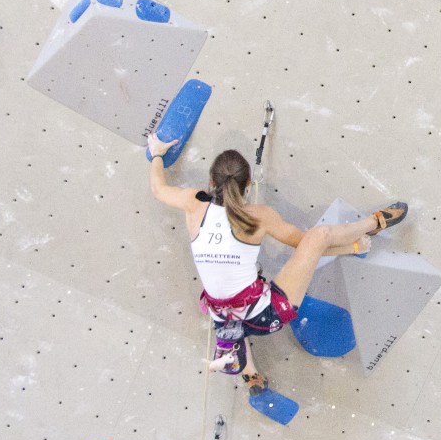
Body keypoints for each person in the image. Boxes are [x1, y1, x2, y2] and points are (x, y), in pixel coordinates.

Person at [146, 133, 409, 396]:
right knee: (319, 236)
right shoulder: (259, 216)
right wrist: (350, 246)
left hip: (223, 318)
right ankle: (374, 223)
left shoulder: (193, 203)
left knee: (233, 321)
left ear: (211, 182)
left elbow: (158, 189)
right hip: (267, 313)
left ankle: (251, 377)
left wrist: (157, 153)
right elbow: (306, 245)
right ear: (248, 183)